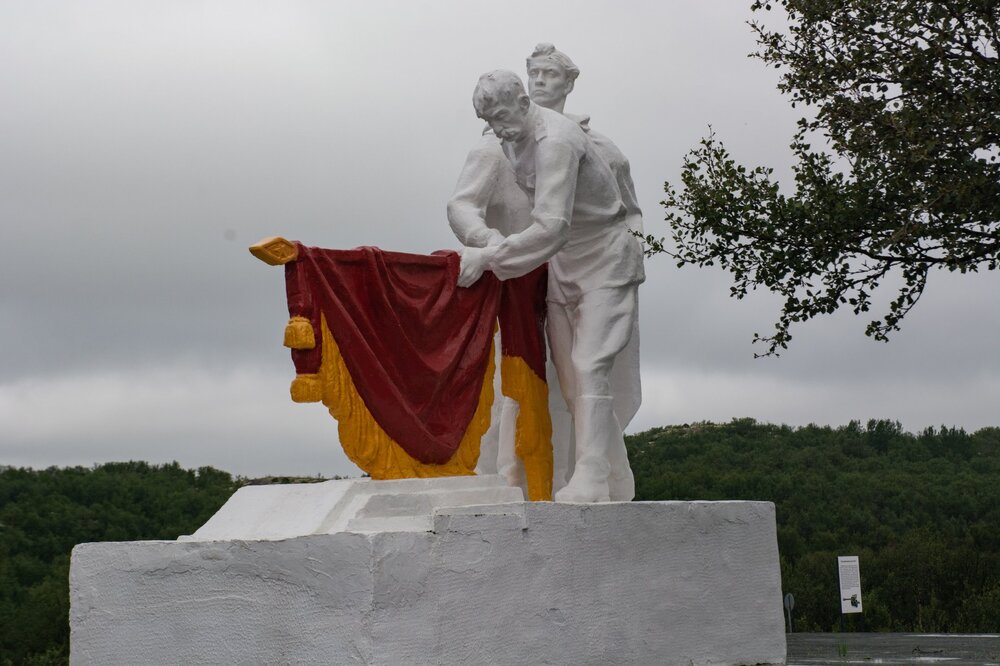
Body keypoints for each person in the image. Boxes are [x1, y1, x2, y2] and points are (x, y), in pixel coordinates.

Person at [458, 70, 644, 503]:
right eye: (489, 120)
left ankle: (592, 476)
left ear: (524, 104)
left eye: (502, 117)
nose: (498, 129)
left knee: (589, 363)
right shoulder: (511, 138)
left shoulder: (556, 140)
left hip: (604, 257)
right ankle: (615, 474)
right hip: (562, 263)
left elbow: (552, 226)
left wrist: (489, 257)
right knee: (569, 376)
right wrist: (489, 240)